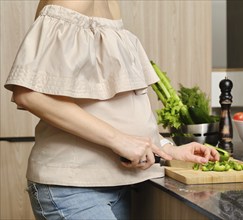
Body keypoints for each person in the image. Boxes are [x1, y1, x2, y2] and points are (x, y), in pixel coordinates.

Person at [4, 1, 219, 219]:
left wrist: (166, 149)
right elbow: (29, 93)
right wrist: (119, 140)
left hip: (117, 183)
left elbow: (113, 105)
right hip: (75, 189)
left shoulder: (110, 6)